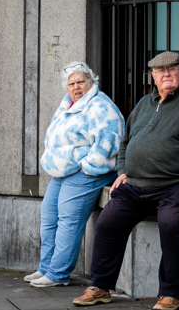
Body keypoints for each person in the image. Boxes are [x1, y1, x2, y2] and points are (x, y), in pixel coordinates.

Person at [72, 51, 179, 310]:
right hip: (135, 186)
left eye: (172, 69)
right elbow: (125, 142)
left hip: (177, 186)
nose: (167, 74)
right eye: (160, 71)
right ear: (153, 76)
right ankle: (100, 286)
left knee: (169, 224)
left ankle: (170, 293)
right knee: (108, 222)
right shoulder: (144, 103)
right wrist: (123, 170)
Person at [27, 62, 125, 288]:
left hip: (88, 172)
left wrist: (88, 166)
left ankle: (58, 273)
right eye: (71, 83)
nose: (76, 87)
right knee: (49, 217)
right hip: (64, 172)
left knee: (69, 219)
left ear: (91, 82)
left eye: (81, 82)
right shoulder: (67, 106)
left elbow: (111, 141)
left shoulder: (101, 106)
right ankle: (46, 267)